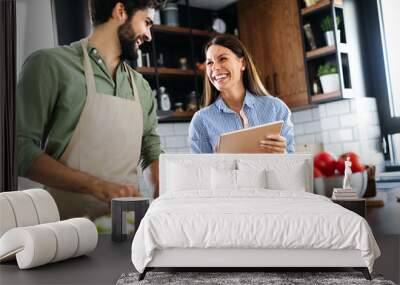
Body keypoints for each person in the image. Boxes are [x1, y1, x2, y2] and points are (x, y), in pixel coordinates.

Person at [16, 0, 165, 220]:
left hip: (127, 228)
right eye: (147, 22)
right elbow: (18, 150)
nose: (149, 35)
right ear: (120, 11)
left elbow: (150, 148)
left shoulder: (141, 87)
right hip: (65, 231)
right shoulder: (50, 65)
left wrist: (161, 199)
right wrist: (96, 186)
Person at [189, 35, 295, 153]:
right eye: (209, 63)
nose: (215, 67)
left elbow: (292, 163)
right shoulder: (201, 121)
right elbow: (200, 170)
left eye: (223, 59)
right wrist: (218, 162)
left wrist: (283, 154)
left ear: (242, 63)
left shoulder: (276, 108)